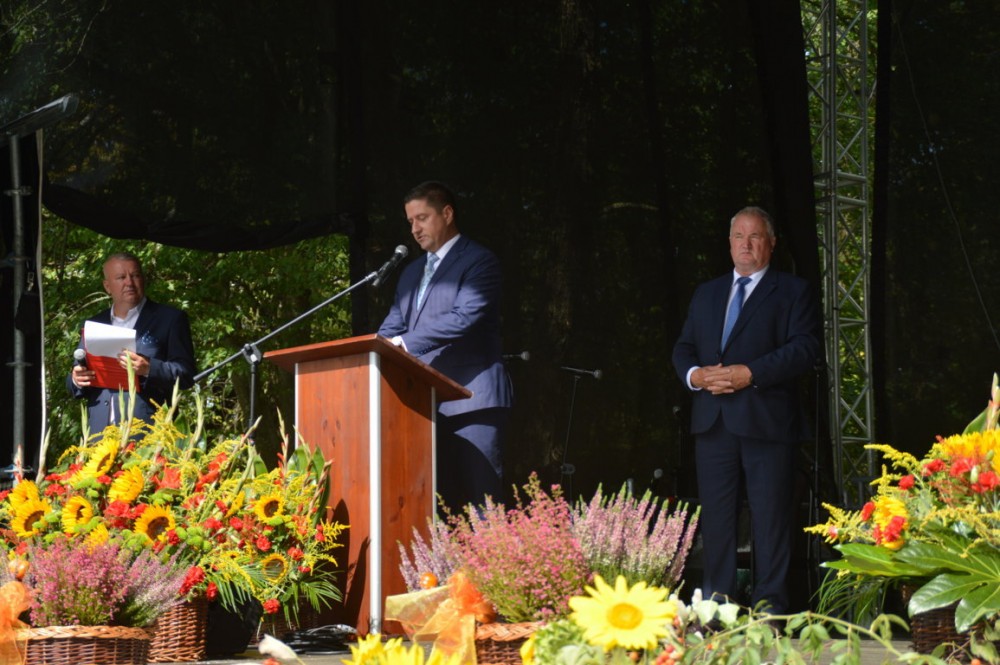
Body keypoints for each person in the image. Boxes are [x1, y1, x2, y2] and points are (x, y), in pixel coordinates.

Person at [671, 206, 821, 613]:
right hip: (713, 422)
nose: (746, 244)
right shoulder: (707, 292)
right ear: (729, 243)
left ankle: (769, 607)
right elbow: (684, 348)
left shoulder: (793, 290)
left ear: (771, 243)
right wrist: (696, 376)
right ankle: (717, 607)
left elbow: (804, 348)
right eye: (739, 236)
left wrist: (749, 373)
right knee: (717, 521)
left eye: (755, 237)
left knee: (771, 520)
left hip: (767, 423)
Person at [377, 181, 512, 514]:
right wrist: (375, 349)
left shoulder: (479, 260)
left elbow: (465, 317)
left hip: (472, 400)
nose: (414, 229)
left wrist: (403, 344)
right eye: (410, 221)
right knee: (438, 509)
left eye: (422, 218)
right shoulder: (411, 273)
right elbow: (392, 327)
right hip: (423, 407)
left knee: (482, 508)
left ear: (447, 214)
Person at [67, 252, 197, 438]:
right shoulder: (94, 324)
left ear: (143, 279)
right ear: (107, 286)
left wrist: (149, 368)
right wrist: (76, 379)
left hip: (150, 434)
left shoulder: (170, 319)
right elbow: (75, 383)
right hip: (100, 436)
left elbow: (186, 375)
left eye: (135, 275)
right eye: (121, 277)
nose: (129, 282)